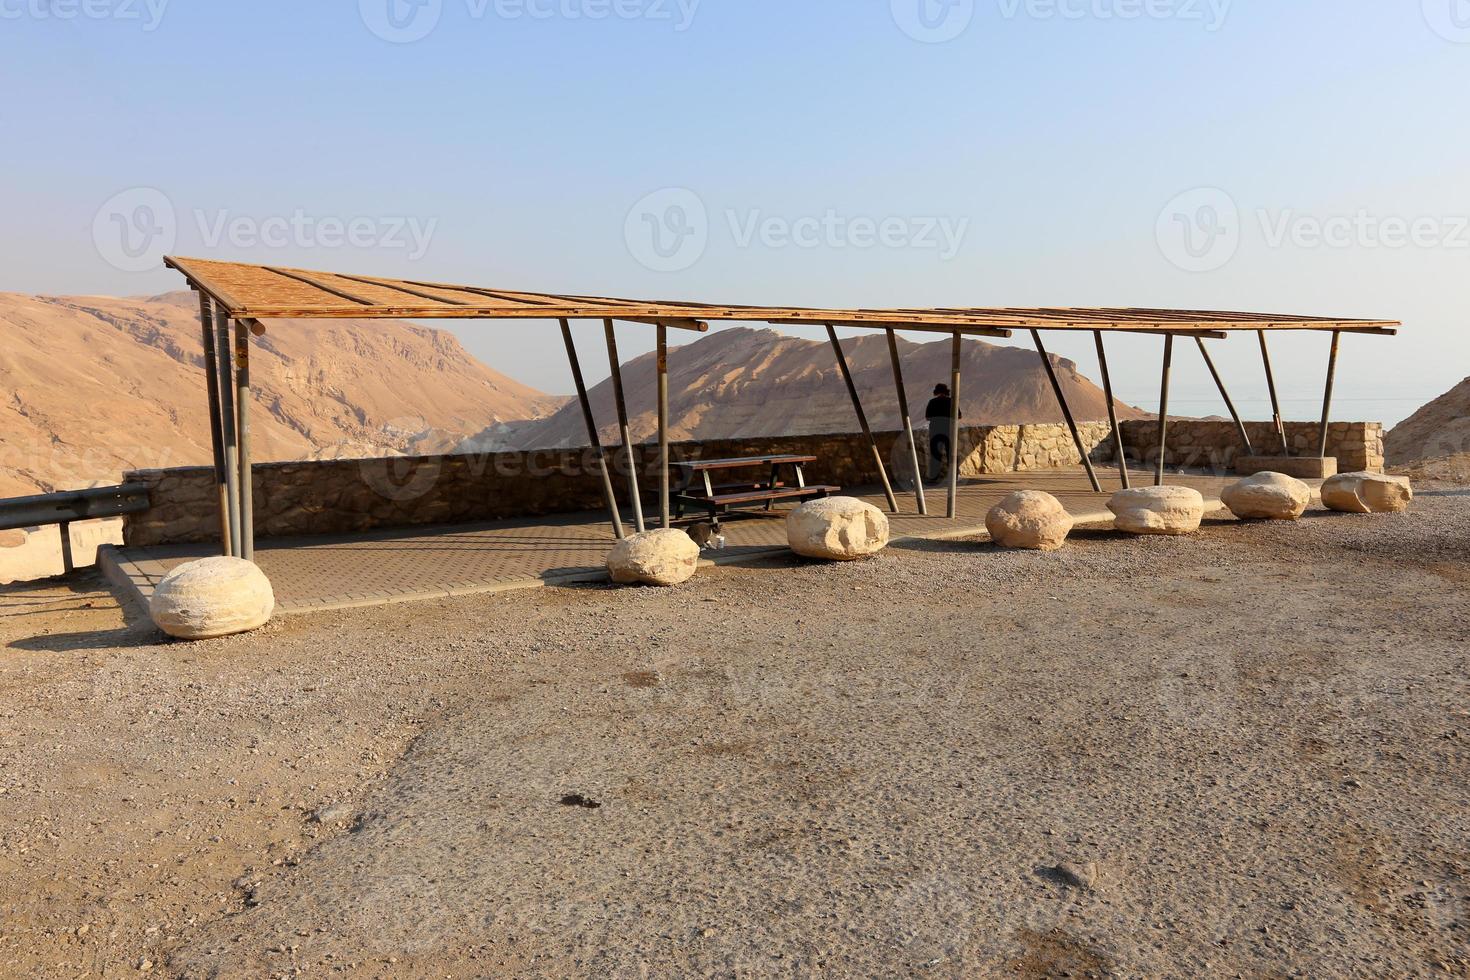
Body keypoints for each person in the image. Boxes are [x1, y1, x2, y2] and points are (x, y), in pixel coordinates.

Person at [924, 384, 961, 483]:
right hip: (949, 430)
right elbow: (959, 416)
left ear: (936, 392)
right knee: (952, 454)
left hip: (935, 430)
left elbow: (927, 417)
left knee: (935, 454)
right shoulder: (952, 402)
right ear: (946, 391)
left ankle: (934, 478)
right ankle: (954, 476)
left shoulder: (932, 402)